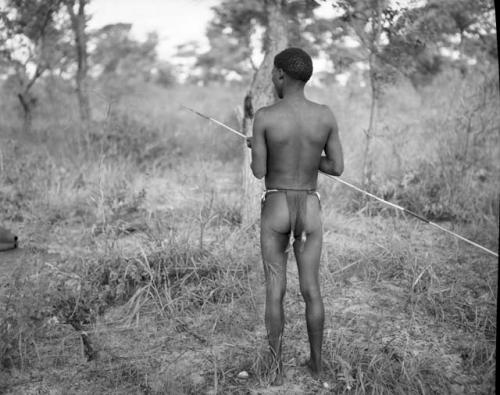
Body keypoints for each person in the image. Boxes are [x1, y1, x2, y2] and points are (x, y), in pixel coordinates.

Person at [248, 47, 344, 385]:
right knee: (311, 290)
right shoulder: (325, 114)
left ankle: (274, 372)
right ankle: (317, 367)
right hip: (309, 210)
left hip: (276, 207)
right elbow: (336, 167)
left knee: (275, 291)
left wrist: (262, 147)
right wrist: (307, 159)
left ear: (278, 75)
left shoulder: (264, 116)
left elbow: (259, 171)